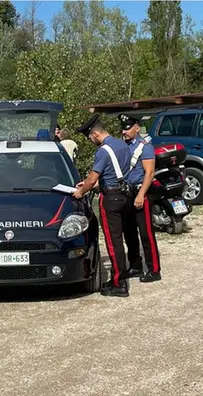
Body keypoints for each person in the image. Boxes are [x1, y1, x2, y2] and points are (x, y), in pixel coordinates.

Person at [73, 113, 134, 297]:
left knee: (112, 241)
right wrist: (91, 183)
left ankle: (118, 282)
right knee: (120, 238)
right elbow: (116, 174)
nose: (91, 141)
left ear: (95, 134)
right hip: (125, 195)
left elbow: (93, 178)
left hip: (111, 198)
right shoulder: (122, 145)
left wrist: (80, 192)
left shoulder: (103, 150)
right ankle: (121, 276)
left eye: (90, 138)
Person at [119, 114, 162, 283]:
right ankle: (135, 265)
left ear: (137, 127)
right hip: (127, 194)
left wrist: (141, 194)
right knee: (129, 232)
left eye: (128, 128)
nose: (125, 131)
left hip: (140, 193)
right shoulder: (124, 146)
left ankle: (154, 269)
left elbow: (149, 173)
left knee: (146, 234)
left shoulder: (145, 147)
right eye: (123, 128)